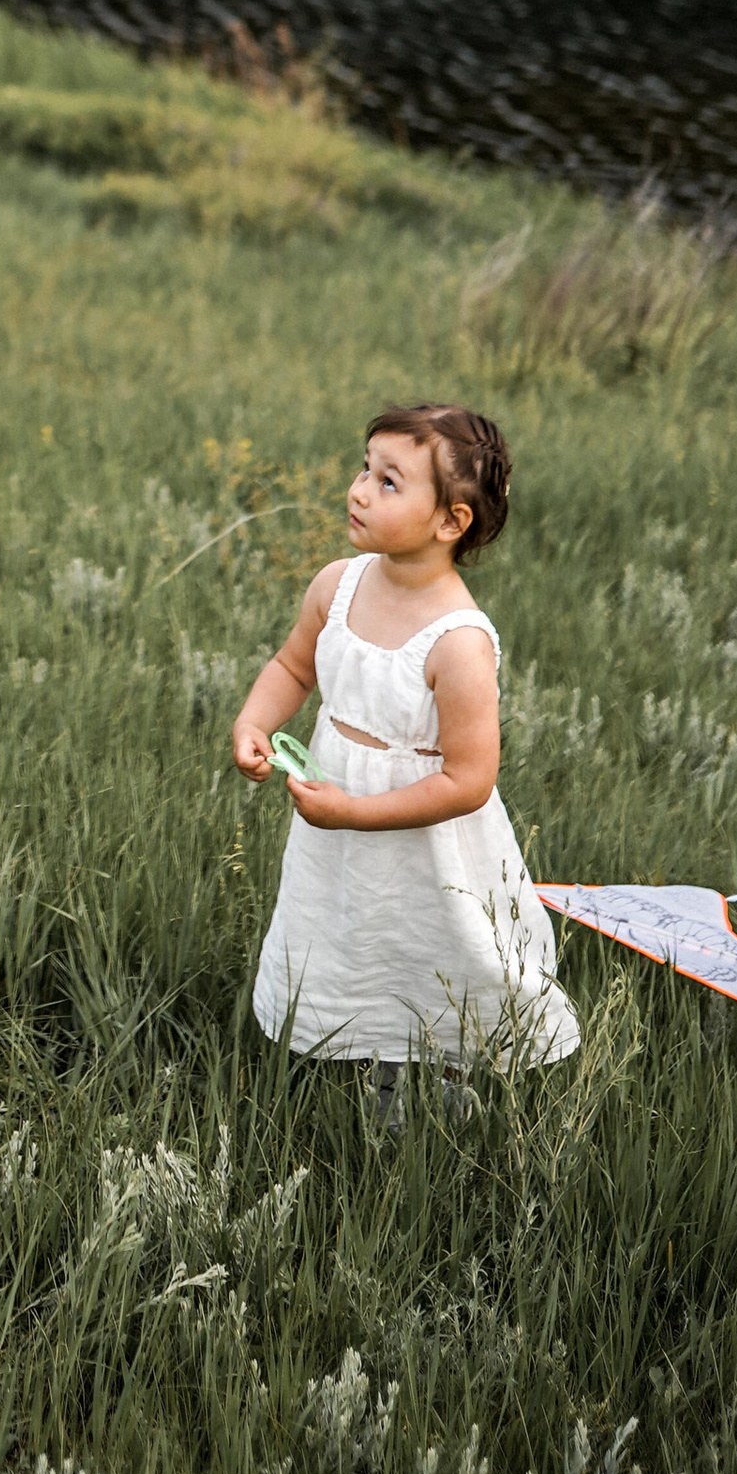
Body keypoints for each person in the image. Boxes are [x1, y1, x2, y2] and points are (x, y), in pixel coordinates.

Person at [232, 404, 580, 1077]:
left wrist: (354, 813)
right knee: (344, 927)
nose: (358, 490)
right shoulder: (338, 585)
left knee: (428, 942)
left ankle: (442, 1070)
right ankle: (349, 1041)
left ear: (452, 522)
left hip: (426, 837)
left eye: (389, 482)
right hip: (334, 814)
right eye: (365, 469)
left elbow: (468, 780)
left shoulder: (457, 641)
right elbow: (292, 666)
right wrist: (254, 724)